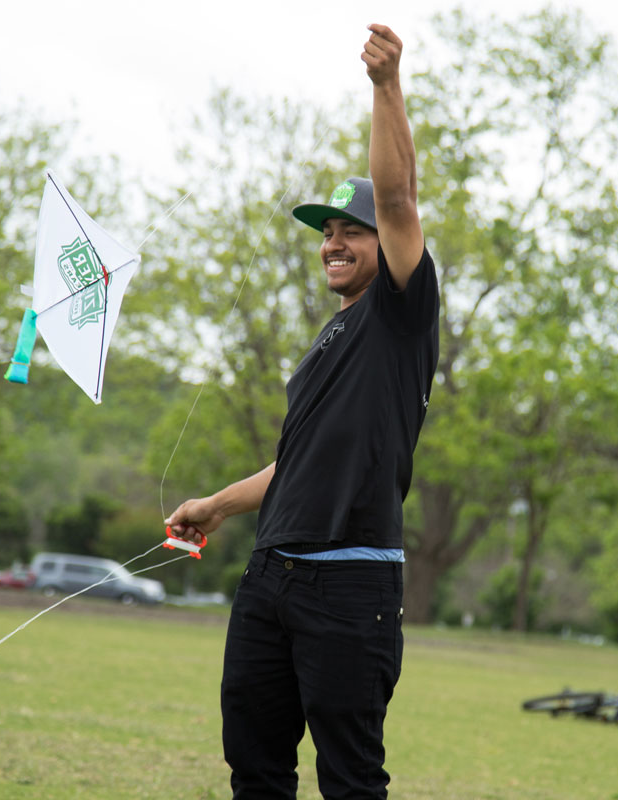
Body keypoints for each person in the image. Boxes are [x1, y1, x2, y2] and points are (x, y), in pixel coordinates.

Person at [166, 23, 439, 800]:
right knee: (254, 765)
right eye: (326, 234)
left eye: (350, 230)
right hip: (269, 577)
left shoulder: (401, 312)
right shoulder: (333, 337)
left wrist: (386, 87)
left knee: (350, 781)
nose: (332, 243)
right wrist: (218, 505)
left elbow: (397, 195)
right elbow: (300, 461)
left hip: (350, 584)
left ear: (386, 243)